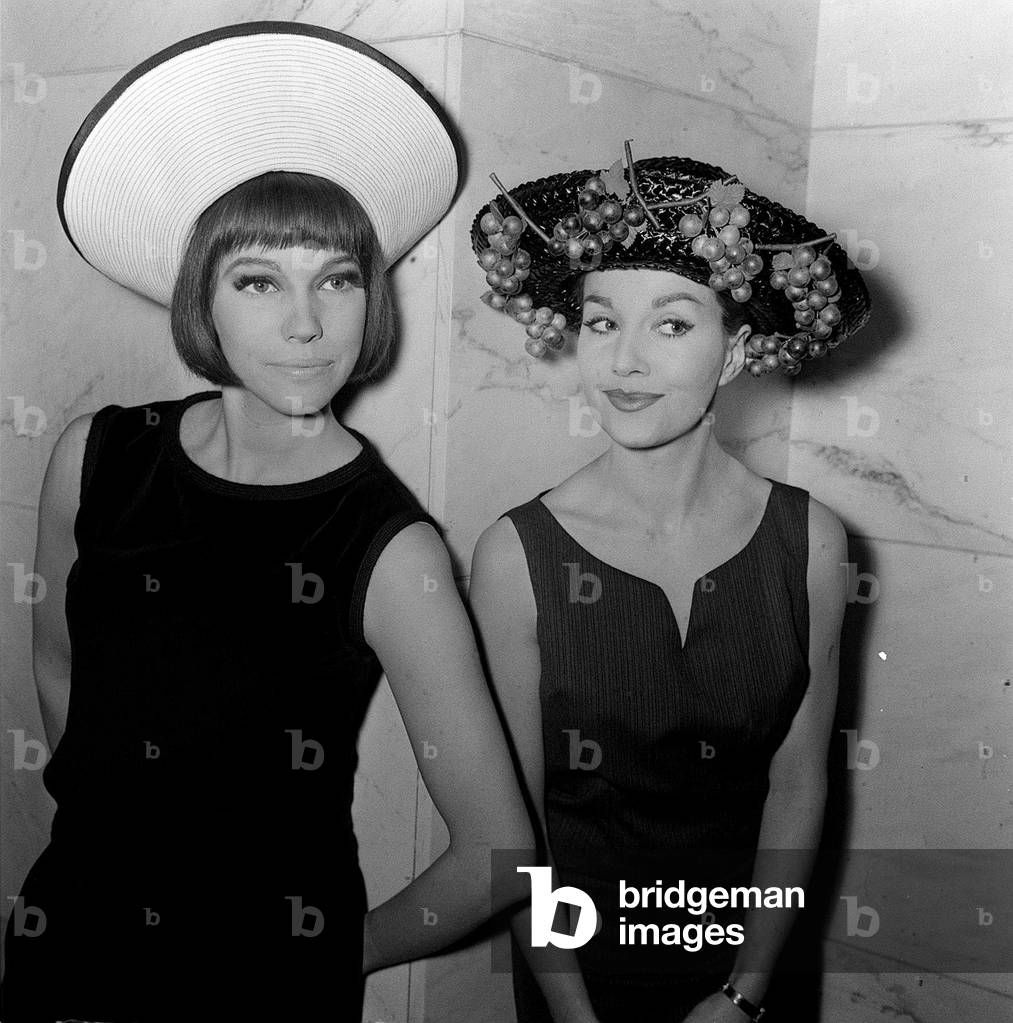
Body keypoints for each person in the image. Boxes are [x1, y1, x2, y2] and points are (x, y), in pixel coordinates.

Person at [0, 23, 538, 1022]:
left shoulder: (389, 549)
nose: (305, 324)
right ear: (202, 293)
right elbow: (62, 674)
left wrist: (331, 960)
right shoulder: (98, 454)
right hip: (64, 950)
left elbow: (502, 856)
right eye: (259, 281)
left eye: (335, 279)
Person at [467, 149, 871, 1021]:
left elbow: (797, 783)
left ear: (734, 352)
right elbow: (514, 830)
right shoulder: (515, 557)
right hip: (579, 983)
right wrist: (575, 1014)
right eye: (602, 322)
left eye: (673, 325)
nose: (624, 361)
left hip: (752, 975)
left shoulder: (811, 542)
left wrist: (745, 992)